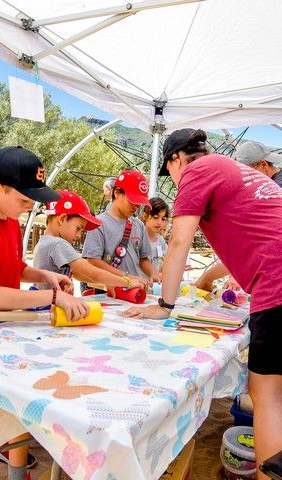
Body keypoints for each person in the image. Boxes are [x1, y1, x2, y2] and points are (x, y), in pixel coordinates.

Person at [123, 128, 282, 479]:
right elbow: (259, 234)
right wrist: (208, 278)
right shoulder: (234, 171)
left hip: (277, 285)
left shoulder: (197, 171)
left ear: (176, 159)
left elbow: (180, 239)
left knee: (266, 393)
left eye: (171, 171)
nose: (176, 180)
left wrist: (166, 304)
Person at [0, 146, 89, 480]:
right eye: (24, 198)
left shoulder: (8, 220)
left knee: (17, 403)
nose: (31, 204)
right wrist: (53, 298)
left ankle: (18, 472)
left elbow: (12, 267)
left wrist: (43, 275)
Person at [196, 139, 282, 292]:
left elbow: (261, 245)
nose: (243, 179)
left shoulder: (272, 190)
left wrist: (208, 278)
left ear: (263, 165)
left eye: (246, 173)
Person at [33, 190, 146, 292]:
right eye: (78, 228)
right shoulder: (58, 244)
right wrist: (128, 282)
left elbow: (77, 274)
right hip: (52, 308)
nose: (78, 235)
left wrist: (109, 282)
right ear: (62, 219)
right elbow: (94, 273)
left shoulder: (44, 242)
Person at [82, 170, 158, 287]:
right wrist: (125, 276)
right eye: (132, 201)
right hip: (106, 289)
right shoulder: (98, 224)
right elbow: (93, 261)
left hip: (132, 288)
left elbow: (143, 259)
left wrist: (153, 274)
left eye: (139, 203)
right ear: (117, 193)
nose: (136, 207)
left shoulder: (139, 225)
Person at [141, 197, 169, 279]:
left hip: (154, 286)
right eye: (156, 217)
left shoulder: (161, 240)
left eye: (163, 219)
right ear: (145, 216)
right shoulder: (138, 238)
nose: (159, 222)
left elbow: (163, 263)